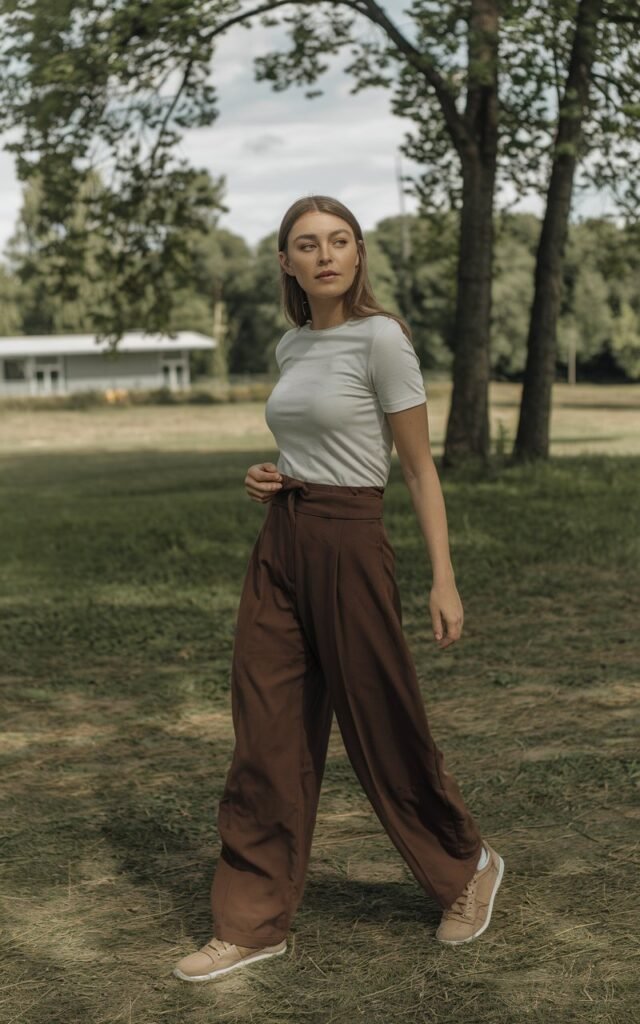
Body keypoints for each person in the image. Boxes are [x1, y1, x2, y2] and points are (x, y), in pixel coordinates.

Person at [173, 195, 504, 983]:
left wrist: (443, 581)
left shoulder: (381, 339)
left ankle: (467, 867)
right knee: (266, 727)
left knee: (380, 720)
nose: (325, 255)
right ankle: (252, 922)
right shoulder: (292, 345)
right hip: (282, 538)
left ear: (358, 255)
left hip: (352, 544)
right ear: (286, 263)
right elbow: (309, 440)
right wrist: (269, 475)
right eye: (306, 244)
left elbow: (419, 469)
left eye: (340, 241)